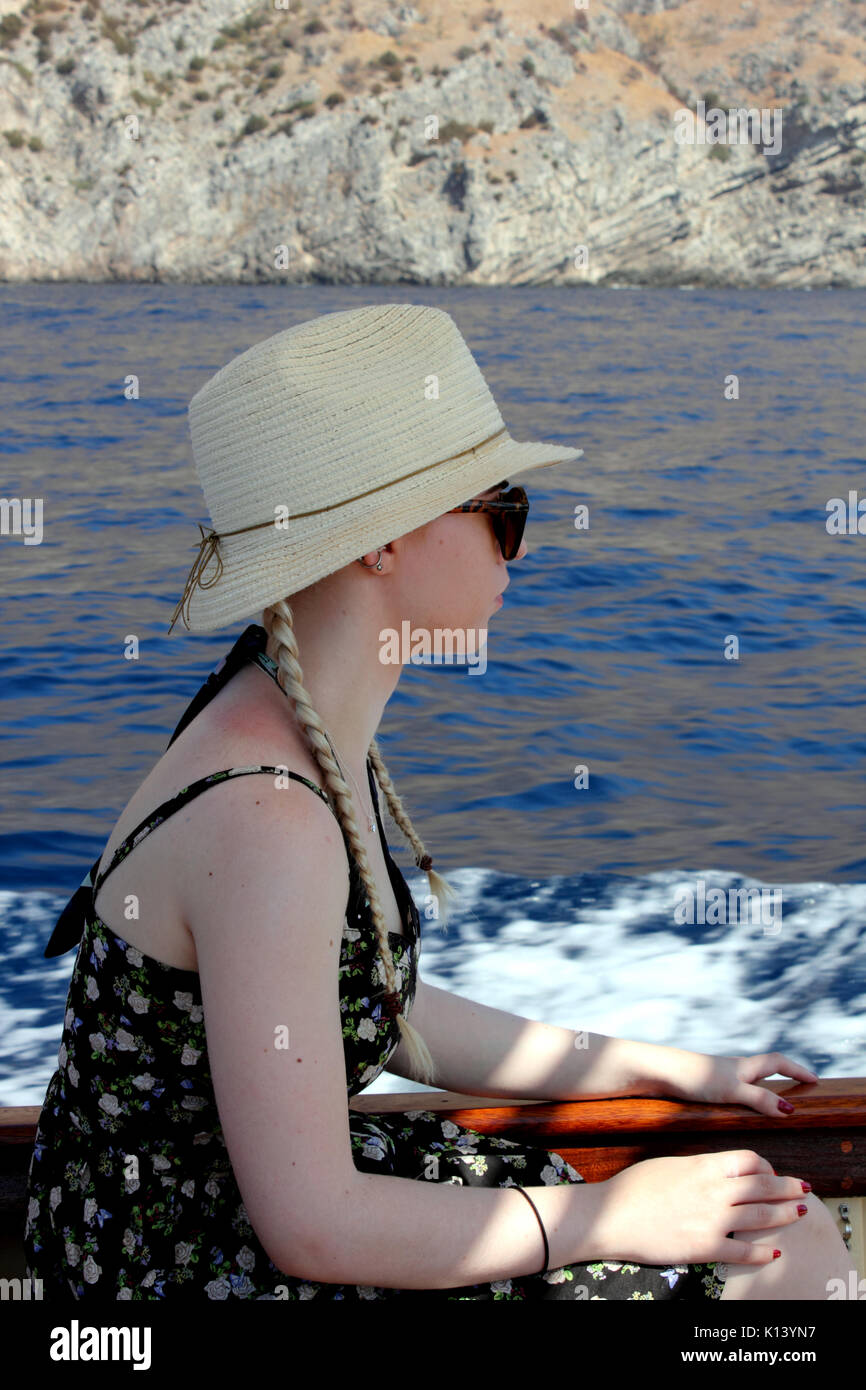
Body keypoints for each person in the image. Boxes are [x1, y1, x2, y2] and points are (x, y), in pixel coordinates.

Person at [24, 303, 854, 1300]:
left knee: (776, 1225)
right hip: (192, 1264)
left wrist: (667, 1066)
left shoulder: (291, 716)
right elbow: (314, 1228)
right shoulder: (270, 813)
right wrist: (617, 1213)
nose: (516, 546)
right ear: (380, 541)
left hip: (206, 1217)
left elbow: (376, 1007)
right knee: (778, 1253)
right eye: (500, 509)